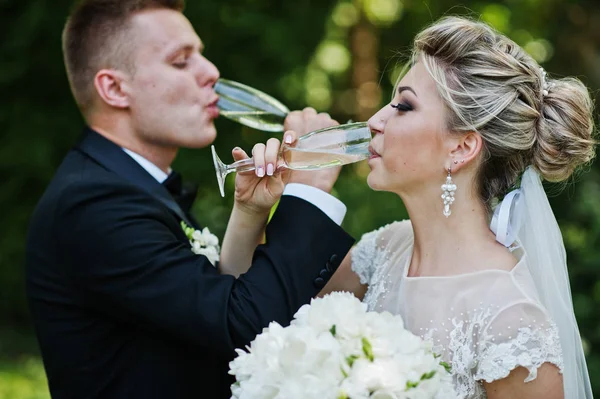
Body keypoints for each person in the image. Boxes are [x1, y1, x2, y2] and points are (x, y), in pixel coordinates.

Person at [25, 0, 354, 398]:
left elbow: (213, 316)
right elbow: (247, 327)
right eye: (181, 61)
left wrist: (249, 214)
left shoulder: (129, 186)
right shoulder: (93, 203)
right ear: (114, 88)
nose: (211, 72)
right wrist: (309, 189)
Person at [317, 16, 595, 398]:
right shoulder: (383, 251)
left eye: (403, 106)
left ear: (461, 148)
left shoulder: (511, 319)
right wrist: (253, 210)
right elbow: (265, 322)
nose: (375, 120)